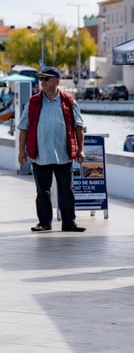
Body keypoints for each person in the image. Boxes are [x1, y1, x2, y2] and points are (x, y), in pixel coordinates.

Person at [17, 66, 86, 232]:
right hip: (40, 155)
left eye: (46, 79)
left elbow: (79, 127)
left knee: (67, 191)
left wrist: (81, 150)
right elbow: (23, 128)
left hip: (64, 154)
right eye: (41, 79)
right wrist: (21, 152)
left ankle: (69, 223)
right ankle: (44, 223)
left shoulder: (69, 101)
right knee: (42, 191)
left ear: (57, 81)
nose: (42, 82)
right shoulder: (33, 102)